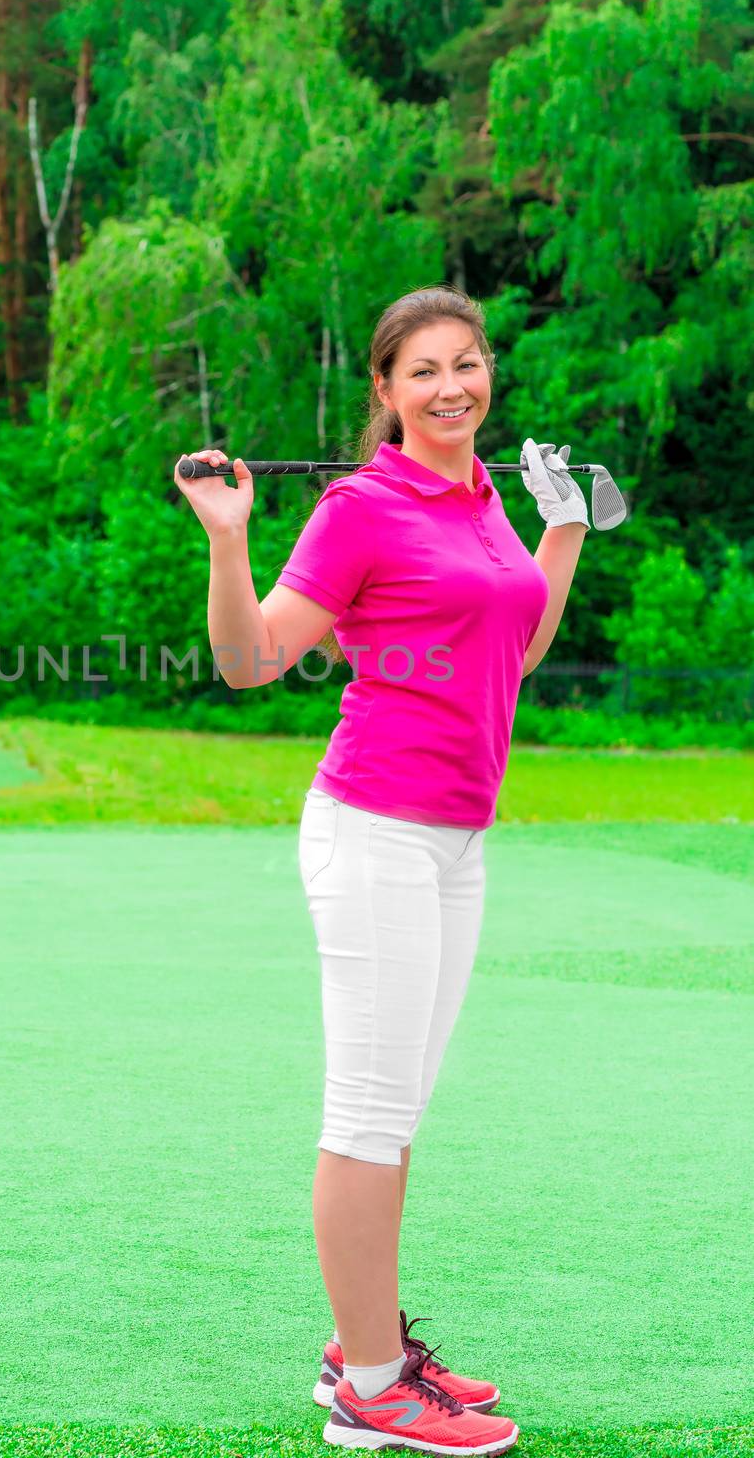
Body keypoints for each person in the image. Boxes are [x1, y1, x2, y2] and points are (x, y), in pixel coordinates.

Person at [174, 285, 589, 1454]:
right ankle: (366, 1388)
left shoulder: (484, 497)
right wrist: (227, 534)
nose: (453, 385)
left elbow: (519, 641)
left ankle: (366, 1345)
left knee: (397, 1114)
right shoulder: (361, 507)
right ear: (386, 390)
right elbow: (252, 659)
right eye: (425, 371)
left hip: (458, 841)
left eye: (468, 363)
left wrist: (561, 529)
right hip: (375, 831)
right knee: (365, 1117)